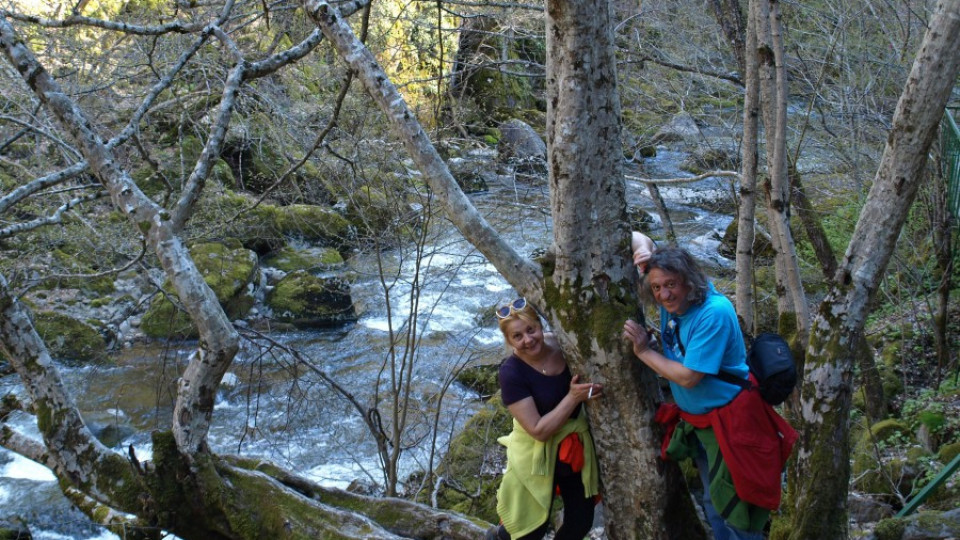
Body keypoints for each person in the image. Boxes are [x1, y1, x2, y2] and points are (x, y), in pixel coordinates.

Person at [622, 234, 796, 540]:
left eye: (671, 285)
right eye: (657, 288)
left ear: (688, 281)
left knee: (738, 511)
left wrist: (645, 352)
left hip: (733, 424)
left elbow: (690, 377)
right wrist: (645, 250)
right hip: (702, 425)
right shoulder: (676, 305)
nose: (664, 294)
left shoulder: (712, 312)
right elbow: (636, 236)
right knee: (714, 503)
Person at [486, 298, 602, 540]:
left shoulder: (563, 344)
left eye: (531, 330)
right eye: (517, 336)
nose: (528, 340)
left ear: (540, 325)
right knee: (529, 527)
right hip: (534, 450)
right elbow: (537, 430)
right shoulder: (511, 373)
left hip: (572, 449)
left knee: (581, 521)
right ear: (509, 341)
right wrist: (572, 398)